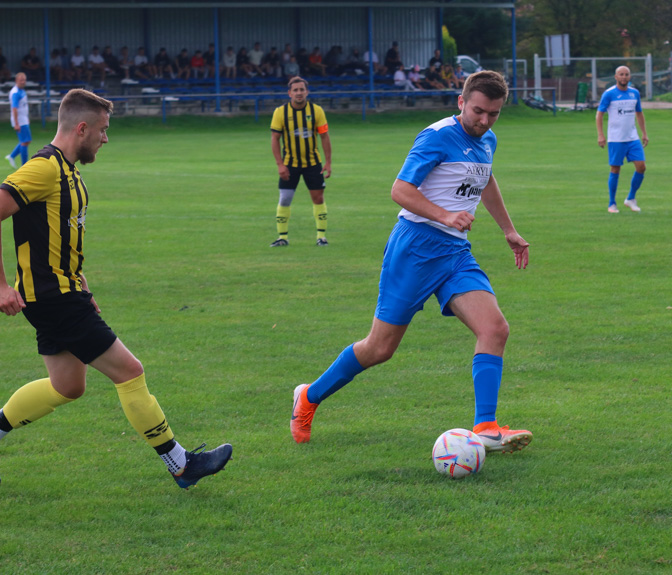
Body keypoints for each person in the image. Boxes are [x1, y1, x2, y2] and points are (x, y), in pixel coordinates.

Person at [289, 71, 533, 455]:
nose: (484, 121)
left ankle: (486, 426)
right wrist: (444, 215)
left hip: (455, 253)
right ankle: (309, 396)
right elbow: (400, 190)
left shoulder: (487, 140)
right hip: (415, 248)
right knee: (379, 349)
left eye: (494, 114)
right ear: (460, 102)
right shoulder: (436, 136)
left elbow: (486, 180)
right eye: (478, 111)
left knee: (495, 328)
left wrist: (508, 230)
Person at [0, 89, 233, 488]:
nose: (105, 139)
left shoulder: (70, 172)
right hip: (53, 298)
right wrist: (2, 286)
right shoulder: (44, 169)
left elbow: (59, 241)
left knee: (67, 387)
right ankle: (181, 464)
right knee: (130, 371)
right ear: (82, 127)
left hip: (60, 295)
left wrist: (84, 287)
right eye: (103, 130)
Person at [269, 77, 332, 247]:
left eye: (301, 90)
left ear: (307, 92)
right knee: (285, 199)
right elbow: (275, 139)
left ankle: (321, 237)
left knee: (318, 198)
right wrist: (280, 164)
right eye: (295, 90)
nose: (299, 93)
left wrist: (328, 162)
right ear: (289, 93)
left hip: (313, 164)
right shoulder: (280, 112)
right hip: (290, 164)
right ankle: (282, 237)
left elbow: (324, 136)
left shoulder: (316, 111)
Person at [596, 65, 648, 213]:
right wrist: (601, 135)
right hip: (616, 138)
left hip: (632, 137)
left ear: (629, 77)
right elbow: (599, 114)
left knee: (641, 166)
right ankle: (612, 203)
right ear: (616, 77)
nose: (624, 77)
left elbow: (639, 113)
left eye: (626, 74)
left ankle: (631, 198)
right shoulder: (609, 94)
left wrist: (644, 133)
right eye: (621, 74)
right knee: (615, 168)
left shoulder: (634, 94)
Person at [5, 73, 30, 168]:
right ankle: (24, 166)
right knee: (25, 141)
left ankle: (11, 156)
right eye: (21, 80)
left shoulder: (22, 90)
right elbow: (14, 108)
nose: (23, 82)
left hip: (24, 119)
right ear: (16, 81)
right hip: (20, 121)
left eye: (24, 80)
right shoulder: (15, 93)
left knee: (26, 141)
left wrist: (27, 118)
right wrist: (16, 123)